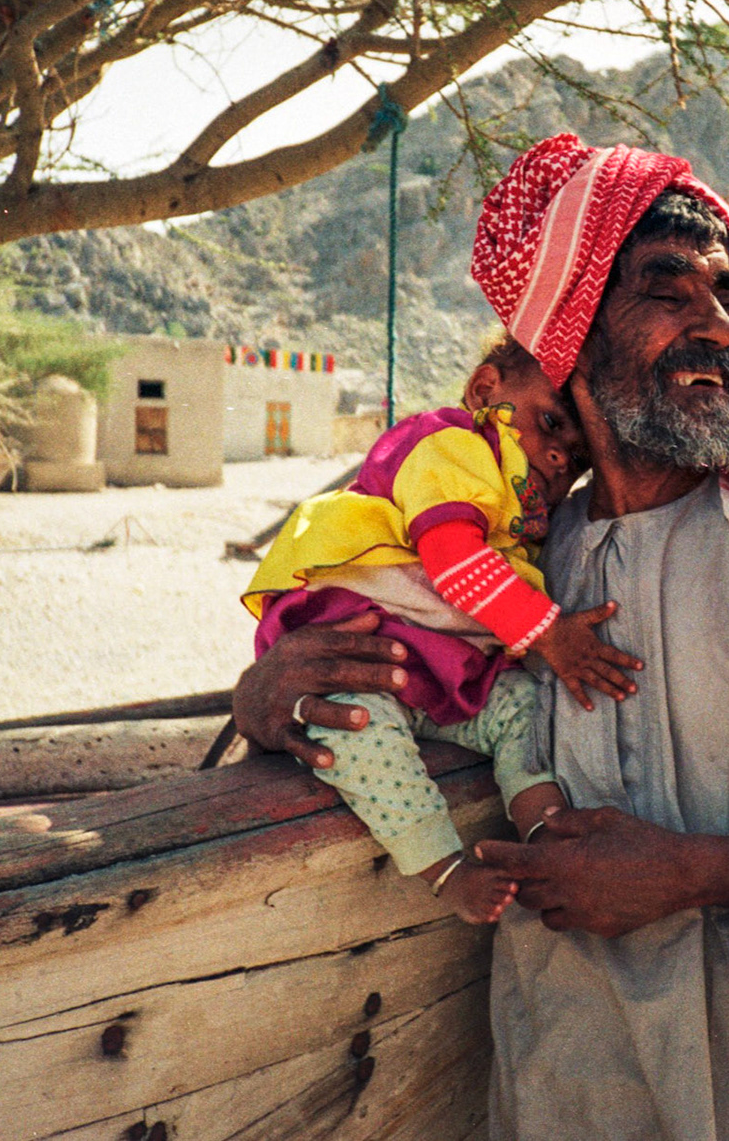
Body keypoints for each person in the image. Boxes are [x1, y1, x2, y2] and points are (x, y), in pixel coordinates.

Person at [232, 135, 729, 1140]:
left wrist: (701, 871)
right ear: (571, 336)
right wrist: (264, 702)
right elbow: (383, 691)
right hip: (565, 1077)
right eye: (667, 291)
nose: (720, 328)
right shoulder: (515, 562)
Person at [241, 337, 642, 924]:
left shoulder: (522, 510)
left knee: (527, 710)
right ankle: (443, 869)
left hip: (438, 667)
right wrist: (552, 635)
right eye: (549, 423)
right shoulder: (451, 445)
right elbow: (453, 561)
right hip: (361, 649)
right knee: (356, 732)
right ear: (484, 389)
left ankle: (545, 830)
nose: (560, 456)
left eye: (577, 458)